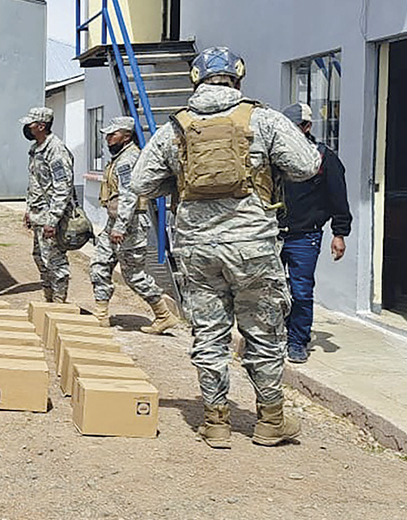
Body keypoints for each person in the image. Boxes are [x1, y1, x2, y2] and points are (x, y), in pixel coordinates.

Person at [130, 46, 321, 449]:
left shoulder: (176, 127)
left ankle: (215, 422)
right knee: (264, 332)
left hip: (197, 249)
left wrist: (181, 184)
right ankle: (270, 420)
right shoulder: (263, 119)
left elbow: (141, 183)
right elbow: (305, 167)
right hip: (252, 244)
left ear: (195, 80)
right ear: (237, 78)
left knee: (209, 333)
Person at [88, 116, 181, 333]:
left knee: (134, 275)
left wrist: (120, 226)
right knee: (99, 265)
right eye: (107, 135)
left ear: (127, 136)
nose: (109, 139)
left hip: (130, 224)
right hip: (115, 222)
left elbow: (129, 194)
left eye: (113, 134)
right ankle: (101, 314)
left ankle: (163, 315)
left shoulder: (129, 159)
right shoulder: (120, 157)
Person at [278, 102, 352, 364]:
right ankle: (274, 338)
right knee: (270, 289)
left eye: (294, 127)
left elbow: (338, 197)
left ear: (307, 127)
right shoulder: (275, 156)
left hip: (305, 236)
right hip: (272, 234)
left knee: (301, 291)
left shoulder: (323, 158)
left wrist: (339, 233)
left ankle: (297, 341)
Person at [20, 107, 75, 303]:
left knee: (54, 260)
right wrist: (29, 210)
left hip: (50, 216)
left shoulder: (56, 150)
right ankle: (48, 299)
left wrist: (52, 221)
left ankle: (59, 302)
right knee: (40, 257)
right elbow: (35, 182)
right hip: (38, 214)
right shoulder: (36, 149)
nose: (27, 127)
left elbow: (63, 187)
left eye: (30, 124)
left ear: (41, 126)